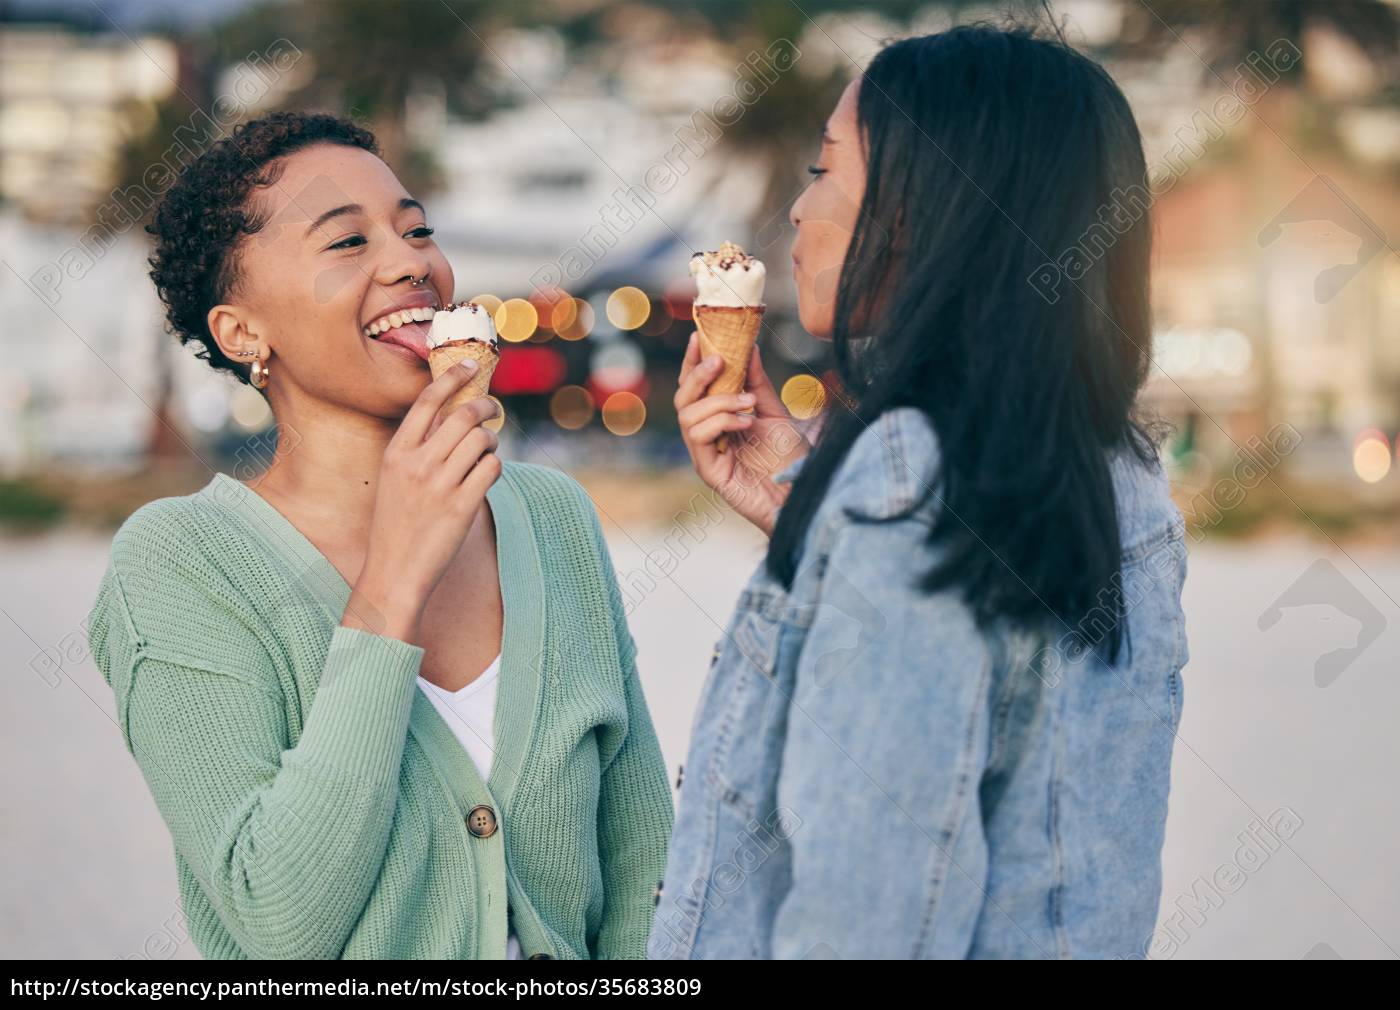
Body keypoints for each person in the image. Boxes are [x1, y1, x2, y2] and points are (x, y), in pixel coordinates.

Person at [654, 25, 1188, 959]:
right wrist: (813, 510)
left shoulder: (912, 478)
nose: (797, 210)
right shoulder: (1115, 472)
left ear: (917, 211)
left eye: (824, 171)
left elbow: (869, 914)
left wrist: (869, 512)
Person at [86, 112, 673, 959]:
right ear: (243, 332)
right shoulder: (180, 563)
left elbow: (641, 859)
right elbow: (278, 920)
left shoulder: (551, 516)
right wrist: (393, 581)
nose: (412, 264)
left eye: (416, 229)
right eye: (346, 243)